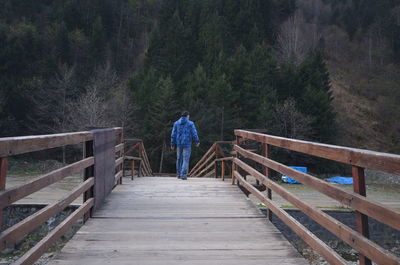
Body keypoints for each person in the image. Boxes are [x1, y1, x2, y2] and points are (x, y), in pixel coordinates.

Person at [171, 111, 200, 180]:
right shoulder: (190, 123)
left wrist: (172, 144)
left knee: (179, 159)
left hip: (178, 144)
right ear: (187, 116)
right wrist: (197, 141)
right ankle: (183, 175)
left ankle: (178, 175)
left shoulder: (176, 123)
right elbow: (194, 133)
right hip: (187, 144)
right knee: (185, 159)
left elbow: (173, 134)